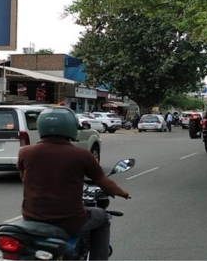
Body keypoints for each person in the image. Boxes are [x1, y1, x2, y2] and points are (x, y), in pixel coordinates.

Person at [17, 107, 130, 260]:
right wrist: (122, 192)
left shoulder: (25, 152)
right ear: (71, 127)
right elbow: (104, 182)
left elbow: (25, 178)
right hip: (70, 220)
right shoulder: (82, 155)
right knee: (103, 217)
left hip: (31, 218)